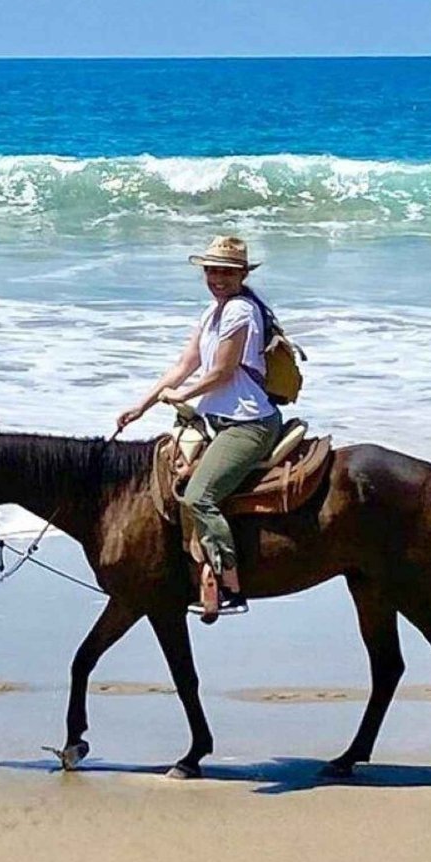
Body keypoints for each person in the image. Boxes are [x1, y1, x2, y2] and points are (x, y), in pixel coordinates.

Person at [115, 235, 282, 615]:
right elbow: (184, 364)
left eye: (226, 271)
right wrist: (143, 404)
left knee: (199, 497)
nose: (217, 278)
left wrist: (184, 394)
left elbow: (222, 371)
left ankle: (231, 588)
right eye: (211, 271)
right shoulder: (212, 312)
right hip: (214, 418)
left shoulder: (241, 311)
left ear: (241, 274)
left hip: (247, 422)